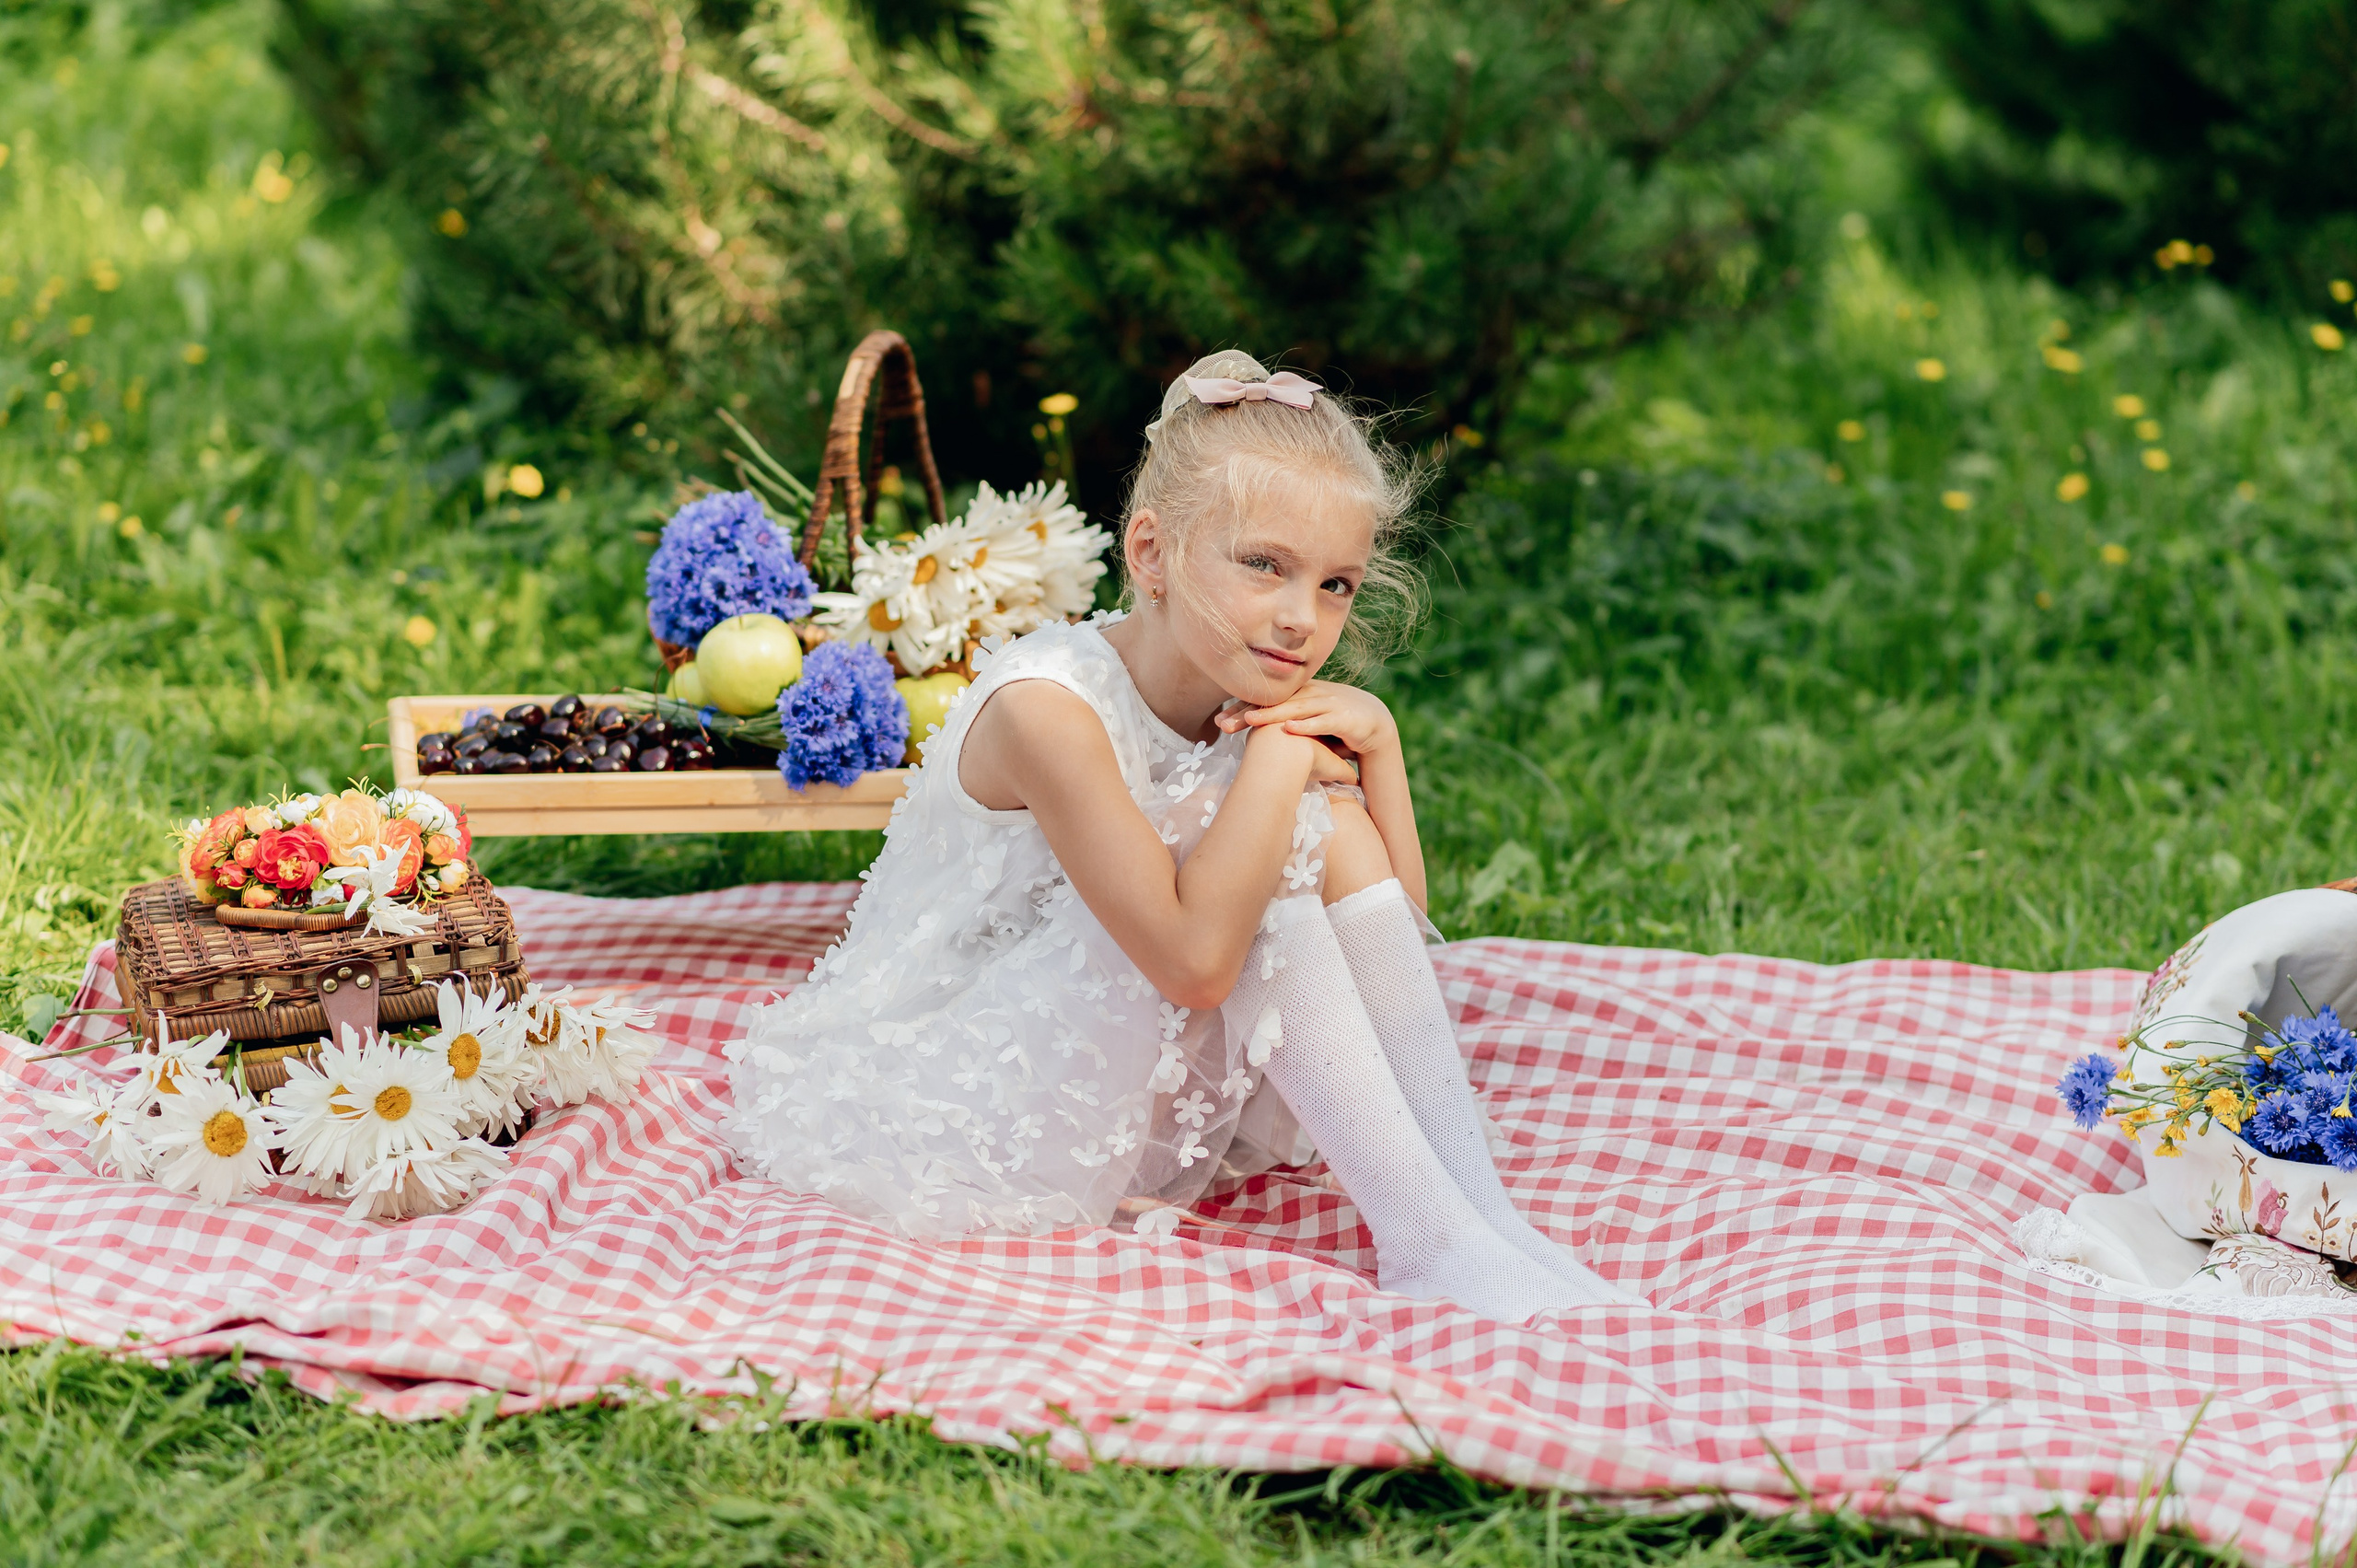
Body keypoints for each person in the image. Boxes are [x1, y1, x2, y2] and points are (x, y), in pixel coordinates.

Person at [725, 351, 1636, 1319]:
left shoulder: (1242, 687)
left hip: (1121, 1047)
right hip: (959, 1082)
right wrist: (1281, 765)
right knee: (1273, 838)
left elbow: (1391, 945)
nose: (1301, 618)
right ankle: (1432, 1240)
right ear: (1151, 553)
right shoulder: (1050, 709)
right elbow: (1197, 966)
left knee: (1303, 829)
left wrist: (1385, 753)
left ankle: (1475, 1214)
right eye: (1263, 565)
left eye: (1335, 584)